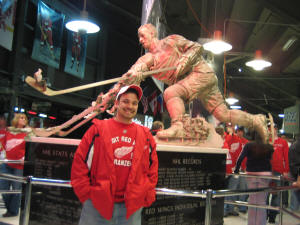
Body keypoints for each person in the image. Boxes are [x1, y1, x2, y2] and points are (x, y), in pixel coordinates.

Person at [98, 23, 268, 143]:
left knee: (171, 92)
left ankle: (179, 126)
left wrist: (184, 60)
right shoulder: (147, 59)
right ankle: (256, 121)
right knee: (222, 115)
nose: (140, 40)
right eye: (139, 38)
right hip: (199, 81)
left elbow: (196, 47)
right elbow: (129, 77)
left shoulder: (170, 41)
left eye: (143, 35)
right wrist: (110, 95)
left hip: (200, 73)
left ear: (152, 33)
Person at [71, 84, 158, 225]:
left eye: (134, 103)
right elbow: (80, 162)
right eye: (126, 101)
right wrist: (86, 193)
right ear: (116, 103)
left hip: (131, 208)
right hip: (97, 204)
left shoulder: (146, 135)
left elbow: (152, 168)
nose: (130, 106)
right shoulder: (97, 130)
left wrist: (146, 193)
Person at [234, 132, 274, 225]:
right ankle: (261, 223)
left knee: (252, 200)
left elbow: (240, 158)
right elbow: (271, 159)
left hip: (251, 173)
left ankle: (251, 223)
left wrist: (236, 170)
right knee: (262, 201)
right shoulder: (268, 146)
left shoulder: (249, 145)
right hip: (265, 173)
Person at [0, 113, 28, 217]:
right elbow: (3, 143)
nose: (23, 119)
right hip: (7, 163)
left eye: (25, 118)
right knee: (3, 187)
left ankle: (12, 211)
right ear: (16, 119)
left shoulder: (28, 133)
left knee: (16, 189)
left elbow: (31, 148)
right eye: (21, 117)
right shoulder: (8, 130)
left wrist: (25, 158)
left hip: (19, 166)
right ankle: (10, 208)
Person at [223, 126, 249, 216]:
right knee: (230, 189)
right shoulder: (229, 138)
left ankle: (231, 208)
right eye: (238, 131)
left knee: (237, 189)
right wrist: (231, 133)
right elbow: (228, 145)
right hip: (231, 169)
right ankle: (226, 209)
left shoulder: (244, 142)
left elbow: (244, 156)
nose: (240, 133)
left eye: (241, 131)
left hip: (239, 169)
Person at [266, 125, 289, 223]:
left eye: (274, 128)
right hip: (266, 170)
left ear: (276, 129)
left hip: (278, 171)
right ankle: (264, 213)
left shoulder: (283, 142)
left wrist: (286, 170)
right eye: (270, 128)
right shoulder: (266, 141)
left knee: (276, 194)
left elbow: (286, 156)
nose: (272, 130)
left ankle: (272, 215)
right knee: (264, 193)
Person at [288, 136, 300, 210]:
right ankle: (294, 208)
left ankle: (294, 208)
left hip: (295, 174)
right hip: (297, 175)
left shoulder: (294, 146)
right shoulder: (296, 146)